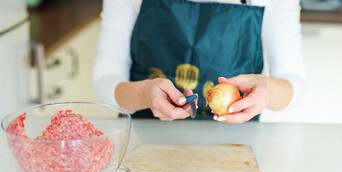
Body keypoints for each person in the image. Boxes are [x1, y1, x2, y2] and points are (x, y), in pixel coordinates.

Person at [93, 0, 306, 123]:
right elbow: (105, 76)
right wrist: (143, 94)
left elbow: (294, 84)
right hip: (144, 145)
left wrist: (266, 90)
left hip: (237, 149)